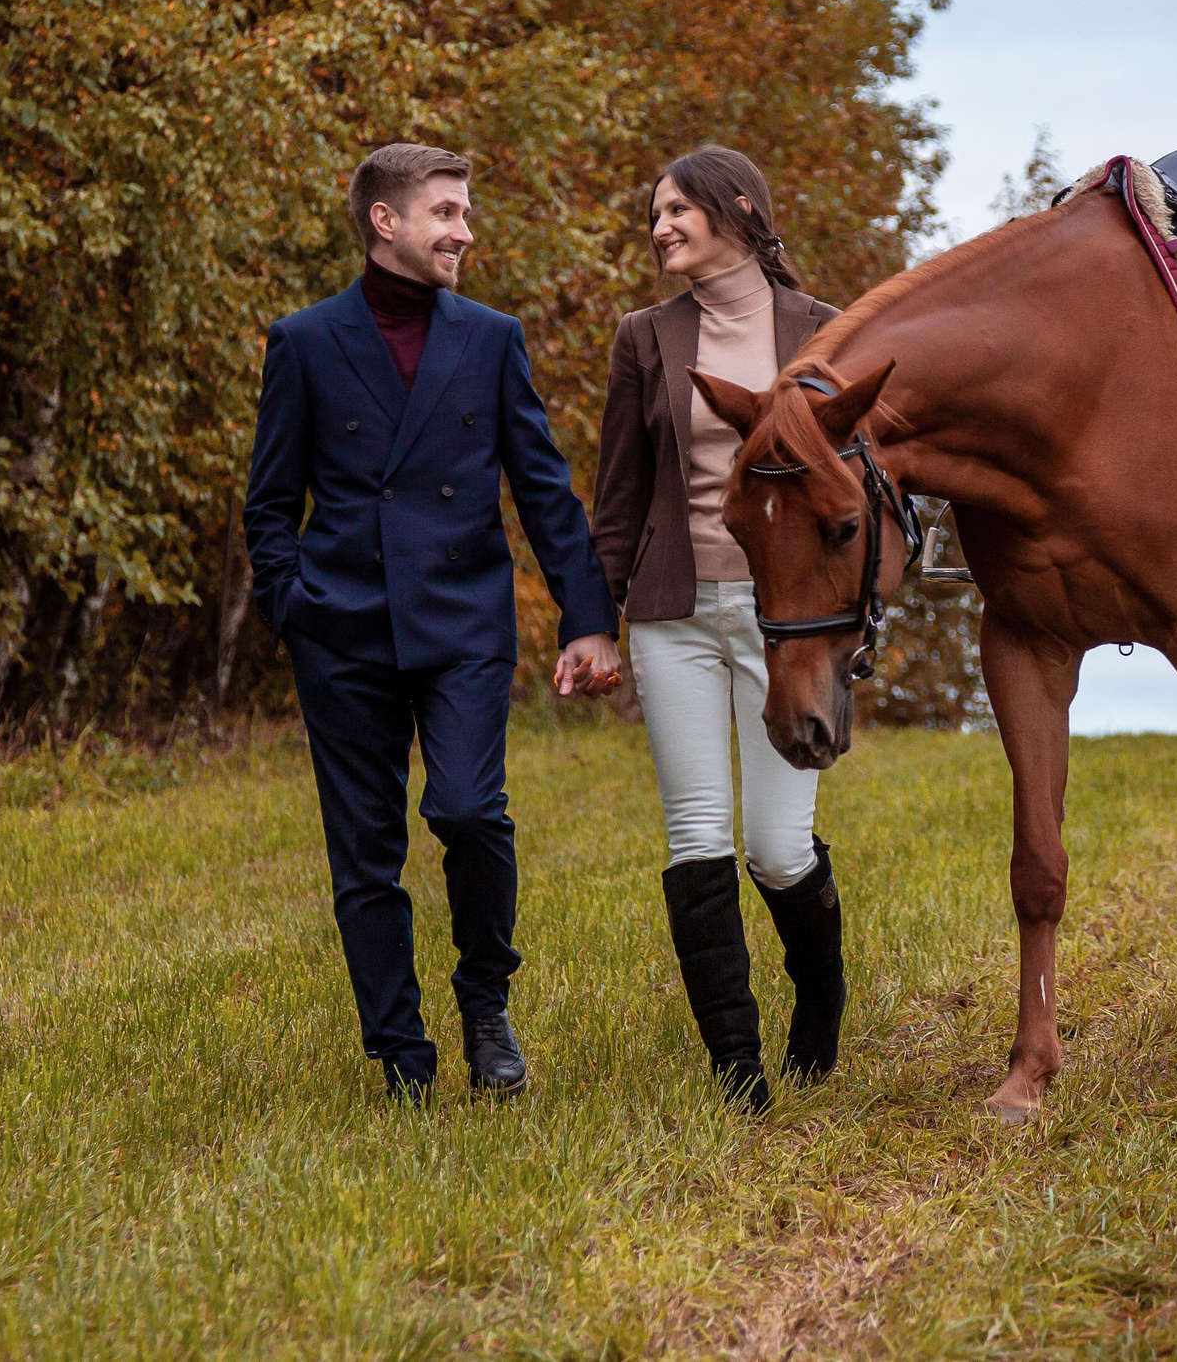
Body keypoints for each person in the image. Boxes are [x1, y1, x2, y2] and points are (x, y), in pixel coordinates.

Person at [246, 142, 621, 1100]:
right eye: (447, 212)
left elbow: (543, 488)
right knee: (364, 850)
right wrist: (292, 606)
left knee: (467, 809)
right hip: (342, 627)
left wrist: (587, 616)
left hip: (462, 621)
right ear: (387, 221)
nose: (465, 230)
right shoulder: (305, 340)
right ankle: (402, 1059)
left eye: (464, 212)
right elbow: (270, 502)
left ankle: (485, 1002)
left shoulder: (491, 338)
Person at [591, 145, 847, 1112]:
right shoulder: (645, 337)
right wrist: (594, 622)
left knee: (779, 847)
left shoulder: (824, 331)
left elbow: (860, 487)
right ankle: (737, 1068)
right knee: (696, 833)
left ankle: (818, 1001)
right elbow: (618, 496)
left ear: (737, 207)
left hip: (790, 624)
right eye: (653, 215)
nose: (659, 228)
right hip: (676, 614)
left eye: (675, 210)